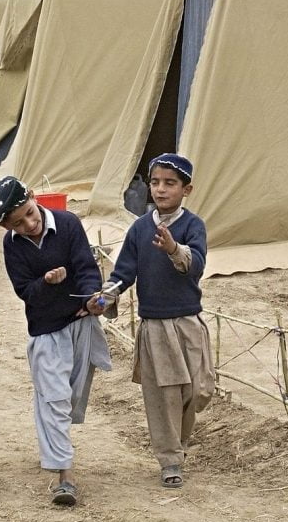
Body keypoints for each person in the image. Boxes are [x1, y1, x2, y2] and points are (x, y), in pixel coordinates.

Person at [89, 153, 215, 489]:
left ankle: (180, 445)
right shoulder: (140, 229)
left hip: (187, 323)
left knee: (194, 392)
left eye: (170, 183)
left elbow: (197, 264)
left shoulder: (193, 226)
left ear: (186, 189)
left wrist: (175, 249)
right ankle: (170, 459)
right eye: (155, 182)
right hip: (155, 326)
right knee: (163, 397)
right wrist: (105, 298)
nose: (160, 190)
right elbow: (124, 271)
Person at [0, 176, 111, 506]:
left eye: (29, 213)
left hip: (81, 322)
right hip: (45, 331)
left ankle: (55, 446)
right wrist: (46, 281)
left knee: (69, 398)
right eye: (18, 223)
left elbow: (86, 267)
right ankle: (64, 476)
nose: (30, 223)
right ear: (6, 227)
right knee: (53, 399)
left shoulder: (68, 224)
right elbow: (25, 292)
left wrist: (92, 297)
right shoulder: (13, 246)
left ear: (33, 198)